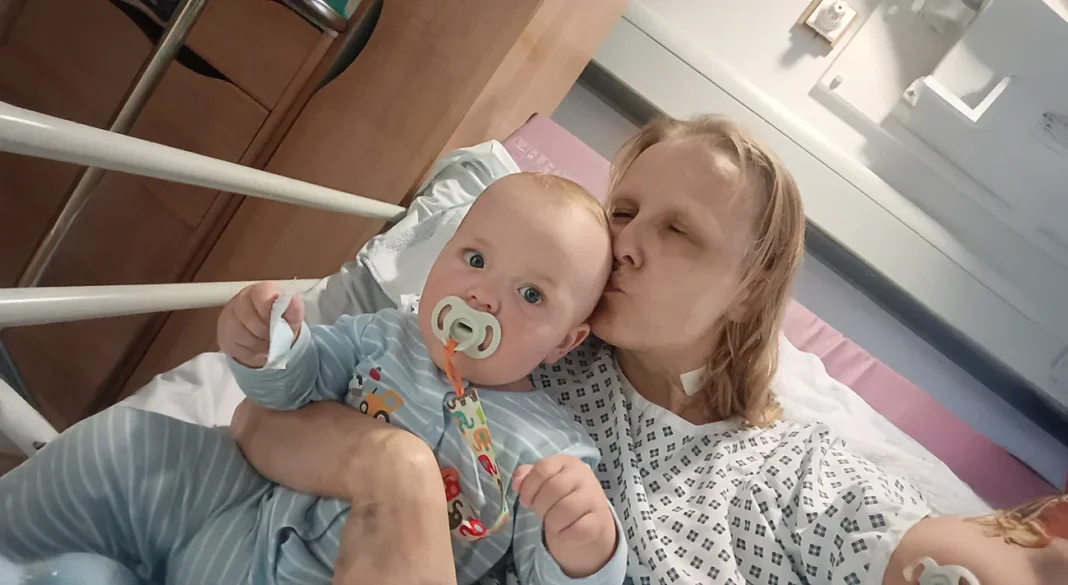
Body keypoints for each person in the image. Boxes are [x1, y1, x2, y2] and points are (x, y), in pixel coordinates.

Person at [230, 116, 1068, 585]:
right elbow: (262, 418)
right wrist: (396, 469)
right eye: (624, 211)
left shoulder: (796, 472)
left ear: (749, 290)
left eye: (679, 232)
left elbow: (951, 562)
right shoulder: (519, 345)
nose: (625, 243)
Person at [0, 173, 626, 585]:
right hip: (240, 512)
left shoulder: (549, 449)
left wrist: (587, 546)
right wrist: (270, 348)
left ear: (565, 343)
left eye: (530, 295)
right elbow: (291, 390)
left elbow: (541, 571)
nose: (483, 296)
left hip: (343, 571)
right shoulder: (384, 334)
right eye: (476, 259)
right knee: (122, 447)